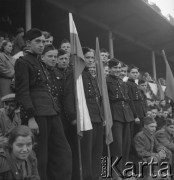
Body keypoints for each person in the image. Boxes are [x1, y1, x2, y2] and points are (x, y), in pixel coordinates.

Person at [15, 28, 72, 180]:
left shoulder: (39, 62)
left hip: (51, 112)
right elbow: (23, 92)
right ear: (28, 43)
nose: (41, 45)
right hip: (37, 114)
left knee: (62, 151)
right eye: (37, 42)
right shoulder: (23, 62)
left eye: (43, 42)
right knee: (42, 156)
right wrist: (31, 117)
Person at [64, 47, 104, 180]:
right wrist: (73, 116)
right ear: (81, 58)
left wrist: (102, 116)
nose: (91, 60)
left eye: (92, 58)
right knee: (85, 153)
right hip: (85, 119)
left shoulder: (90, 75)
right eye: (88, 57)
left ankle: (95, 176)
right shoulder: (75, 73)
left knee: (97, 152)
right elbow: (69, 96)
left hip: (96, 117)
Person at [106, 58, 134, 179]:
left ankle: (124, 170)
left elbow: (127, 98)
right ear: (110, 69)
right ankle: (115, 172)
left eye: (119, 68)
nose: (118, 70)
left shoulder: (122, 82)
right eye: (115, 68)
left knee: (126, 144)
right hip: (114, 113)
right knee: (117, 144)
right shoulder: (106, 81)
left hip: (126, 114)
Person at [0, 40, 15, 105]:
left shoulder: (13, 58)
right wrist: (15, 73)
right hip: (4, 81)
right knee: (5, 100)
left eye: (12, 46)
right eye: (9, 46)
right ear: (4, 47)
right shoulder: (0, 56)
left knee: (12, 101)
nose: (11, 48)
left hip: (13, 82)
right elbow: (2, 69)